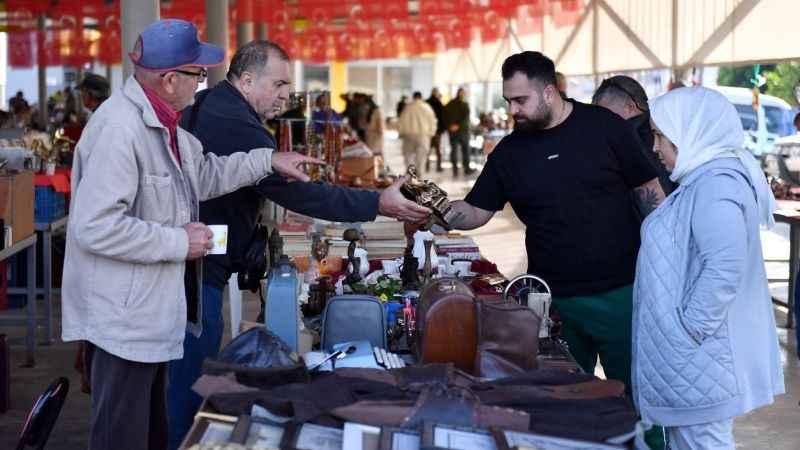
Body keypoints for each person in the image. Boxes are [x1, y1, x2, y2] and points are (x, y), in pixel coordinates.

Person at [60, 20, 321, 450]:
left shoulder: (169, 128)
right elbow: (95, 227)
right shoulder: (119, 130)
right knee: (121, 436)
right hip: (123, 320)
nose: (203, 83)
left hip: (151, 313)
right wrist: (179, 242)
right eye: (198, 75)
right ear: (168, 80)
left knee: (151, 430)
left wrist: (268, 161)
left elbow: (205, 174)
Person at [169, 40, 430, 449]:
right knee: (184, 389)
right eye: (279, 84)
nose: (285, 95)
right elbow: (299, 195)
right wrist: (377, 202)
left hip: (199, 266)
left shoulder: (221, 107)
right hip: (196, 274)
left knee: (180, 381)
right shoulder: (233, 120)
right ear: (248, 79)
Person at [445, 51, 666, 448]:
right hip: (552, 301)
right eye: (507, 101)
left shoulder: (605, 128)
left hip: (622, 292)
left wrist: (665, 265)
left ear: (549, 92)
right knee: (561, 405)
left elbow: (650, 192)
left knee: (639, 400)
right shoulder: (511, 153)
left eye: (520, 100)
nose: (512, 110)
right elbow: (477, 210)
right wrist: (437, 211)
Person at [632, 86, 784, 449]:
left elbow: (724, 267)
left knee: (703, 443)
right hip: (695, 358)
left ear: (691, 131)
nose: (655, 148)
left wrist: (688, 332)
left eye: (660, 136)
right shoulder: (702, 181)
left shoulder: (716, 185)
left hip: (701, 355)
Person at [593, 75, 676, 196]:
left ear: (630, 107)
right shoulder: (668, 126)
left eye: (606, 115)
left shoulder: (627, 138)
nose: (602, 123)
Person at [398, 91, 437, 174]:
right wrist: (431, 133)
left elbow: (401, 121)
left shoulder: (408, 107)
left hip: (409, 135)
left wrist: (401, 133)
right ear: (421, 97)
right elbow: (433, 121)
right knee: (421, 159)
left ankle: (409, 176)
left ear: (413, 97)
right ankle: (420, 177)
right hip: (423, 136)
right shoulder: (427, 107)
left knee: (408, 157)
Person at [444, 87, 473, 175]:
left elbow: (444, 116)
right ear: (462, 93)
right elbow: (465, 118)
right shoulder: (464, 104)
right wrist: (458, 126)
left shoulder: (449, 104)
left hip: (452, 131)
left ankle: (455, 170)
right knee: (465, 150)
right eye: (463, 93)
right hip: (463, 131)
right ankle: (466, 169)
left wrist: (449, 126)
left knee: (454, 150)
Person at [426, 87, 445, 172]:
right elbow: (442, 118)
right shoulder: (439, 103)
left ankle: (426, 166)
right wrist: (442, 130)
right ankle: (439, 167)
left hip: (428, 131)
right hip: (437, 130)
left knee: (428, 149)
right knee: (438, 150)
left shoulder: (426, 103)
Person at [365, 95, 385, 163]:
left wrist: (380, 132)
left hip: (376, 136)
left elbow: (380, 124)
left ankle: (380, 169)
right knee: (373, 153)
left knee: (377, 153)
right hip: (371, 136)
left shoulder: (377, 110)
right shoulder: (371, 110)